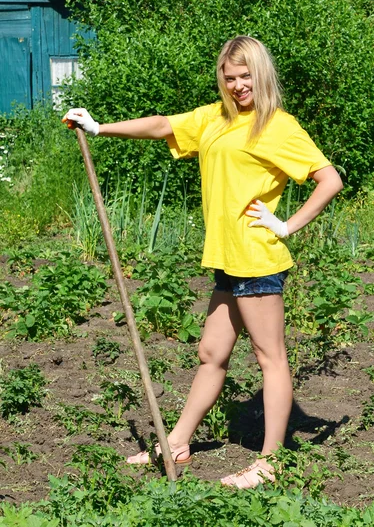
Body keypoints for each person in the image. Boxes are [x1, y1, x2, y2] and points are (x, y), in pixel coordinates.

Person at [63, 35, 343, 489]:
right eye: (229, 77)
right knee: (211, 354)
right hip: (228, 260)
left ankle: (270, 462)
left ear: (262, 74)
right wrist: (99, 127)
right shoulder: (215, 118)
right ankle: (177, 441)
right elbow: (162, 125)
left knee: (270, 358)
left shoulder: (279, 126)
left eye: (245, 76)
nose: (237, 85)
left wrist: (287, 224)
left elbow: (329, 179)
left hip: (256, 257)